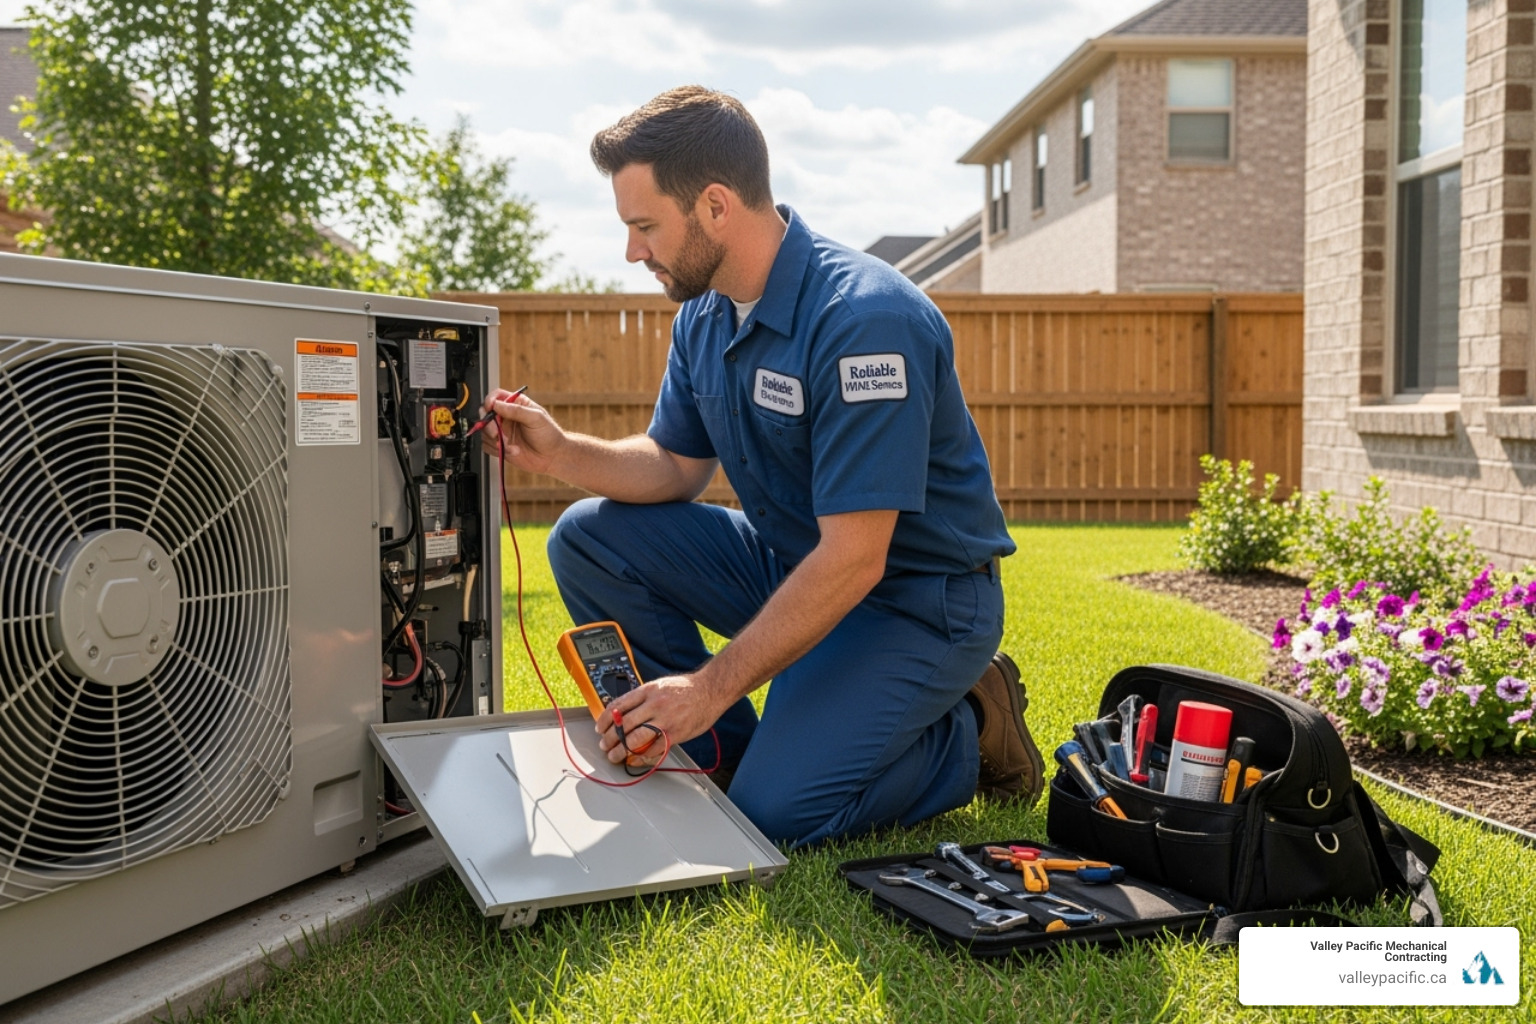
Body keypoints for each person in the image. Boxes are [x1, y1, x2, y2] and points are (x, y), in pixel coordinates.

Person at [481, 85, 1042, 847]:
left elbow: (855, 558)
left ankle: (970, 730)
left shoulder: (864, 322)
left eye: (645, 227)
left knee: (777, 816)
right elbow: (676, 464)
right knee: (587, 536)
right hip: (794, 563)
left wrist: (709, 686)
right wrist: (562, 452)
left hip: (917, 602)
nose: (632, 251)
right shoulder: (705, 315)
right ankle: (721, 756)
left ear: (715, 206)